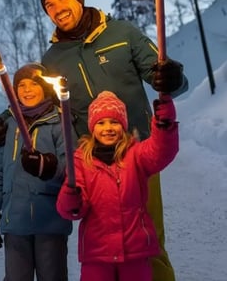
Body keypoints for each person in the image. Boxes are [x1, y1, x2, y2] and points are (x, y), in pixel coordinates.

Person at [38, 0, 187, 281]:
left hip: (138, 156)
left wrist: (172, 79)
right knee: (103, 251)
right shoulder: (52, 61)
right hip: (93, 167)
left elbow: (162, 74)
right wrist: (8, 120)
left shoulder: (122, 33)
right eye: (49, 5)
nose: (56, 8)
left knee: (148, 242)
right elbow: (40, 104)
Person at [56, 91, 179, 281]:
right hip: (97, 255)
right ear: (92, 127)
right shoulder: (81, 161)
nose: (108, 128)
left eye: (114, 122)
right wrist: (71, 199)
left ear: (123, 125)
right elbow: (73, 209)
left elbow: (161, 151)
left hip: (135, 253)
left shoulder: (136, 154)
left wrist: (165, 122)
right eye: (101, 123)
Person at [0, 62, 76, 281]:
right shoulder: (9, 126)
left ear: (45, 88)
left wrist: (47, 166)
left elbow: (72, 167)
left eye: (33, 84)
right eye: (21, 85)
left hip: (50, 221)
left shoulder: (60, 123)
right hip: (15, 220)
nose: (26, 90)